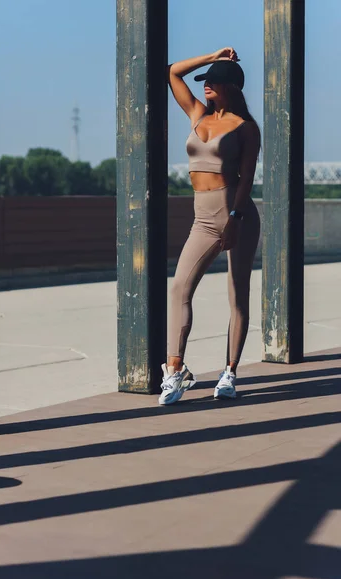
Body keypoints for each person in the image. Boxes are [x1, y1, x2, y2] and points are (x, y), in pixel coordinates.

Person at [159, 47, 261, 406]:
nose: (206, 86)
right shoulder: (198, 115)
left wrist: (234, 219)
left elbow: (246, 179)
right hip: (202, 219)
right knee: (180, 289)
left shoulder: (246, 128)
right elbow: (172, 73)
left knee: (238, 294)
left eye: (213, 81)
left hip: (237, 214)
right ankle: (175, 371)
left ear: (230, 86)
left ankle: (229, 371)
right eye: (205, 82)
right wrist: (211, 58)